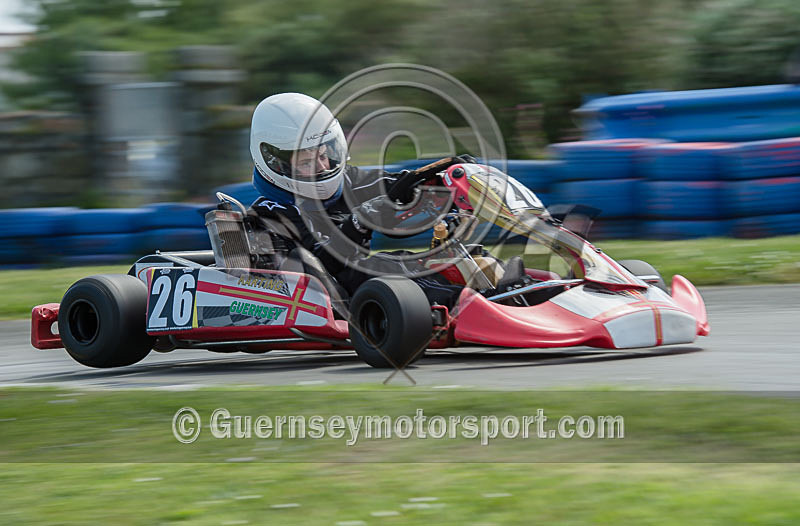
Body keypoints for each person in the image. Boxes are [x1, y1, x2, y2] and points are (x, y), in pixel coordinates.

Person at [247, 92, 463, 305]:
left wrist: (449, 182)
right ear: (276, 165)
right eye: (307, 162)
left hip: (370, 281)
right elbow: (323, 263)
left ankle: (490, 293)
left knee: (445, 263)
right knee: (380, 277)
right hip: (326, 301)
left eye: (323, 156)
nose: (323, 167)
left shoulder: (347, 182)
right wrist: (360, 222)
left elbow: (395, 186)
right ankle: (466, 307)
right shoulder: (267, 216)